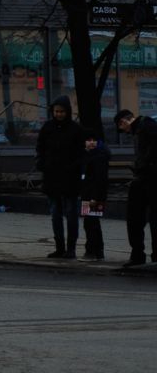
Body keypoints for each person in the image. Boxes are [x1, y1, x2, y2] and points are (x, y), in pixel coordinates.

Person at [35, 96, 84, 259]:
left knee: (70, 213)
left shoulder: (75, 129)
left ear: (67, 111)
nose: (59, 114)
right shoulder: (48, 128)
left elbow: (80, 153)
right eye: (56, 111)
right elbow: (40, 148)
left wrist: (72, 167)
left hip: (70, 177)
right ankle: (60, 247)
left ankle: (70, 248)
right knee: (56, 213)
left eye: (62, 111)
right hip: (52, 176)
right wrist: (42, 163)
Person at [113, 107, 157, 267]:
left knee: (137, 219)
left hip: (148, 178)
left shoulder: (147, 125)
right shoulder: (143, 127)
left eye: (121, 127)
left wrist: (142, 165)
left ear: (124, 121)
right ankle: (142, 254)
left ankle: (139, 254)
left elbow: (150, 151)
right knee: (142, 218)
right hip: (145, 178)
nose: (123, 131)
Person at [80, 128, 112, 262]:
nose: (91, 143)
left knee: (91, 223)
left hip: (93, 196)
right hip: (88, 195)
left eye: (94, 140)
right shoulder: (88, 155)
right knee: (90, 222)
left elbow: (99, 179)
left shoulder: (98, 156)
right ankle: (95, 251)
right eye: (88, 140)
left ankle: (93, 251)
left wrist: (95, 197)